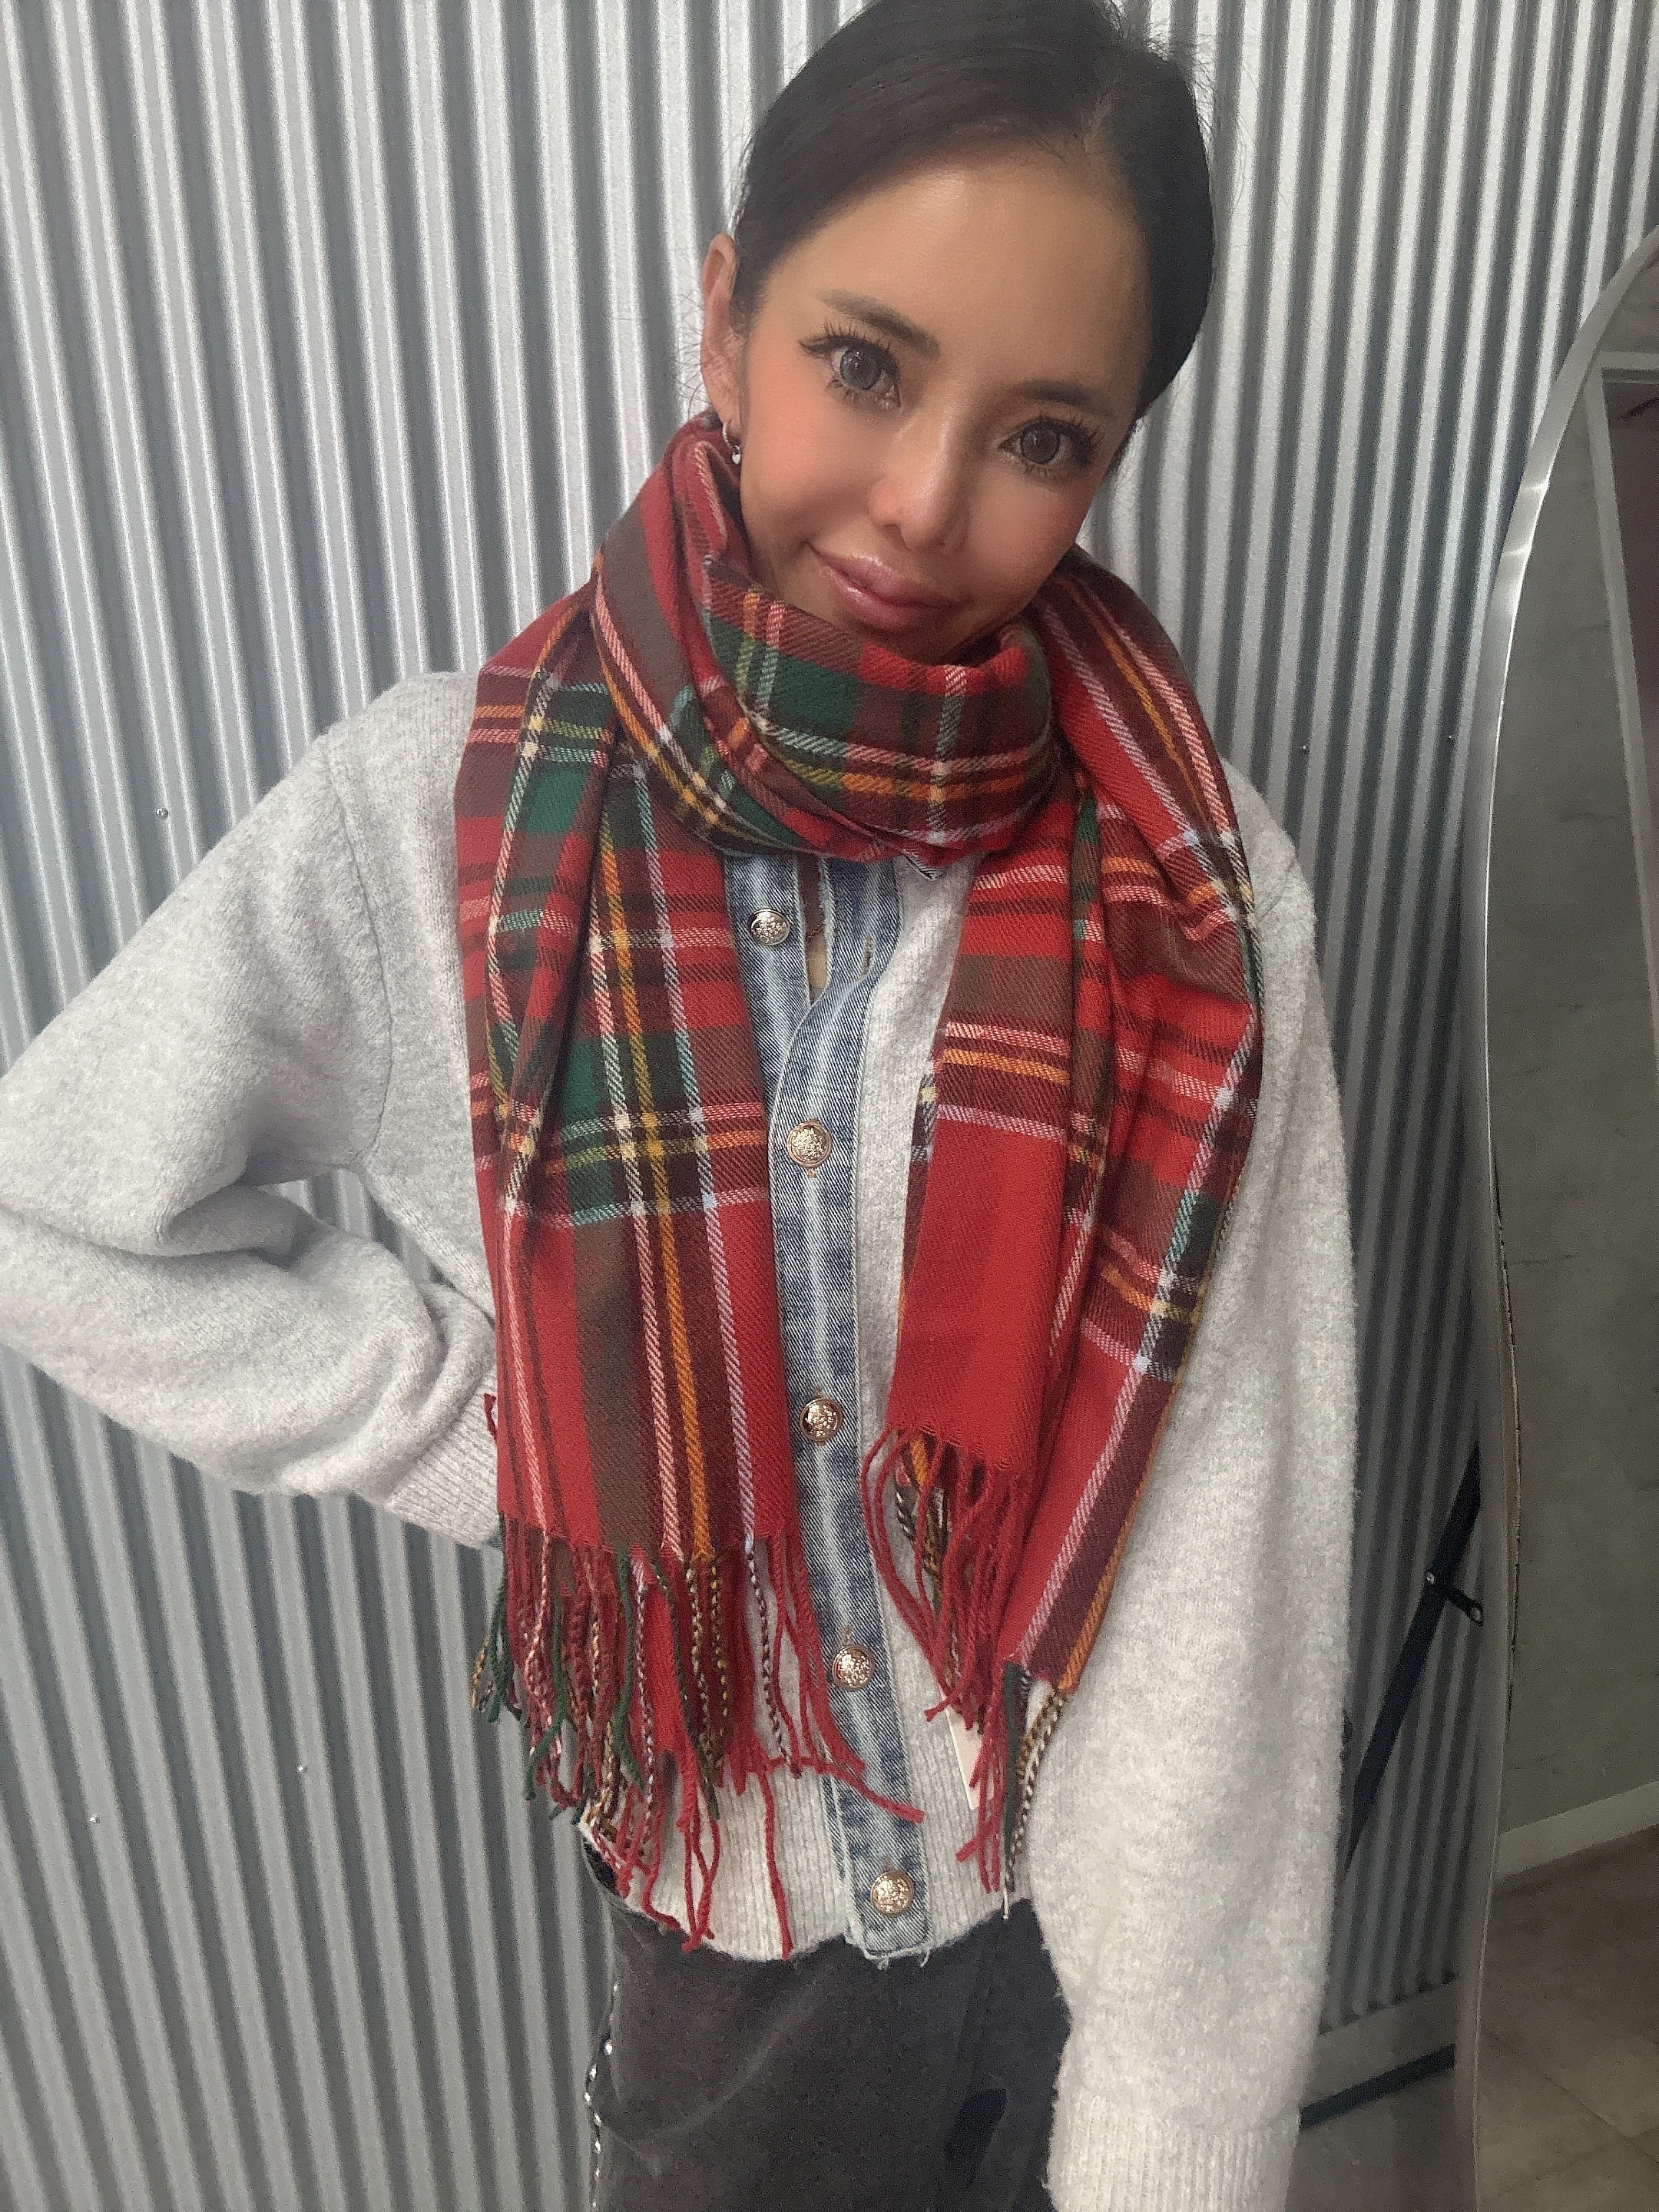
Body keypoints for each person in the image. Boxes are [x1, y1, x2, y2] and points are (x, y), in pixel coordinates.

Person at [0, 2, 1357, 2207]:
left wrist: (1175, 2142)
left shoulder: (1193, 901)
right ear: (727, 317)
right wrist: (499, 1442)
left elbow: (1228, 1554)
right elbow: (55, 1206)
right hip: (735, 1951)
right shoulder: (436, 815)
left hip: (1103, 1921)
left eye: (1042, 433)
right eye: (864, 363)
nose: (925, 502)